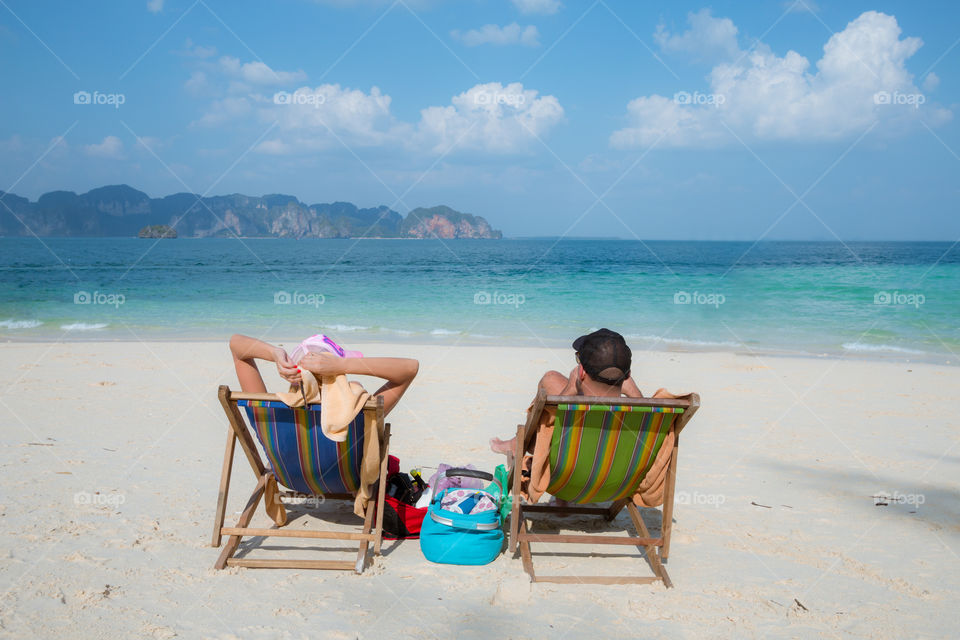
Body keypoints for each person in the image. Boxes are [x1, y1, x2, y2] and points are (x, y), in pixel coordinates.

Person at [490, 328, 678, 467]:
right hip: (614, 478)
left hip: (563, 473)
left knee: (551, 379)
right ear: (628, 375)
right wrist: (635, 393)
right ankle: (514, 444)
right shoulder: (649, 415)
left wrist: (570, 390)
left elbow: (539, 441)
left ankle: (515, 444)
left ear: (581, 372)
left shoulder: (572, 413)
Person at [229, 334, 418, 416]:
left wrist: (275, 354)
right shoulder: (358, 415)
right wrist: (343, 365)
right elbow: (410, 368)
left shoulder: (268, 415)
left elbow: (236, 345)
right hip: (346, 480)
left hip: (289, 477)